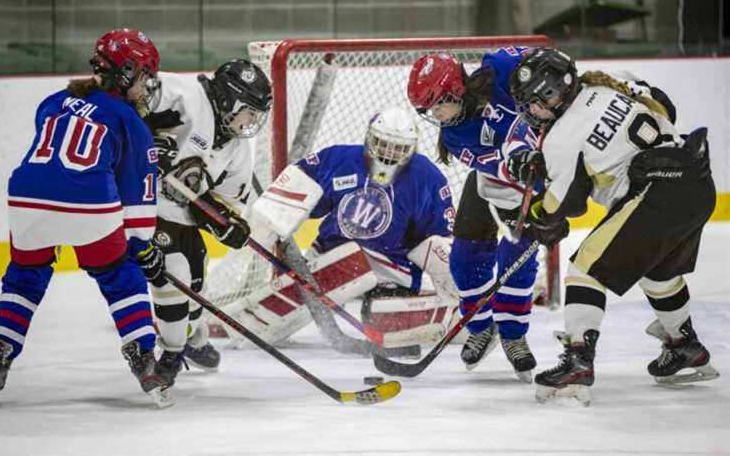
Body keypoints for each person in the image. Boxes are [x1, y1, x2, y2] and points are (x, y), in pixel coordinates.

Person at [508, 47, 718, 406]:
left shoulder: (560, 138)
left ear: (553, 93)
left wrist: (535, 219)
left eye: (535, 103)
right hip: (696, 183)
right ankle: (685, 345)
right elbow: (665, 104)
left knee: (585, 269)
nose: (533, 112)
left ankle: (578, 360)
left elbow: (564, 205)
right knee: (656, 272)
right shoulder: (612, 81)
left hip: (657, 193)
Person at [0, 29, 173, 408]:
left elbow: (50, 160)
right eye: (144, 74)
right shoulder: (128, 119)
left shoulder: (53, 101)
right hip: (87, 206)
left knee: (25, 274)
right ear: (127, 70)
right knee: (120, 274)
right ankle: (143, 356)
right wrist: (143, 246)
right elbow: (135, 192)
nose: (146, 84)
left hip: (25, 199)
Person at [241, 105, 458, 347]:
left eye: (399, 148)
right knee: (346, 261)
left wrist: (453, 283)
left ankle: (455, 317)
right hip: (333, 256)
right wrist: (270, 218)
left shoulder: (426, 176)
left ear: (411, 149)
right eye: (383, 143)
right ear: (369, 138)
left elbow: (441, 237)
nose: (389, 153)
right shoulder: (339, 159)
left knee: (383, 319)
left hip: (392, 266)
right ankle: (257, 319)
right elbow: (299, 181)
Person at [407, 48, 542, 382]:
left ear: (456, 87)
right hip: (499, 179)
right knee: (464, 258)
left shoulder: (498, 69)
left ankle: (513, 334)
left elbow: (544, 61)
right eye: (428, 109)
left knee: (517, 254)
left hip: (539, 175)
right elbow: (500, 171)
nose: (436, 115)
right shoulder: (454, 137)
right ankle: (480, 326)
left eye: (439, 104)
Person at [140, 60, 272, 385]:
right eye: (250, 112)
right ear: (230, 101)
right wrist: (149, 137)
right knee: (175, 275)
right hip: (142, 206)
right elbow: (132, 96)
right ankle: (171, 353)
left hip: (180, 218)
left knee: (197, 285)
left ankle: (192, 337)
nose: (253, 121)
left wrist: (221, 219)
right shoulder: (186, 95)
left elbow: (226, 204)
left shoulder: (238, 150)